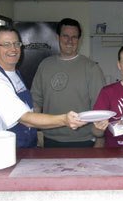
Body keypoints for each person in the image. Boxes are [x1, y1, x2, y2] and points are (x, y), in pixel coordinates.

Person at [0, 25, 86, 148]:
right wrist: (64, 120)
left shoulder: (14, 74)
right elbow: (25, 118)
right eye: (6, 44)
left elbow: (29, 109)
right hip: (7, 150)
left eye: (16, 43)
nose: (13, 49)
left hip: (26, 147)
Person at [31, 18, 106, 147]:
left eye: (74, 37)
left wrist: (100, 139)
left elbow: (100, 107)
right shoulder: (45, 65)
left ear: (79, 40)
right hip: (50, 138)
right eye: (65, 36)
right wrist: (34, 133)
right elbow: (36, 100)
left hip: (84, 140)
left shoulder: (91, 68)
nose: (69, 41)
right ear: (57, 37)